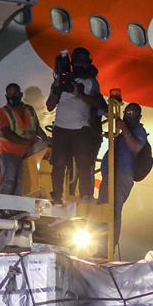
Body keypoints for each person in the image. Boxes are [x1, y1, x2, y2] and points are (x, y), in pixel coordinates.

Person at [45, 47, 106, 205]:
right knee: (58, 164)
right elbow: (49, 106)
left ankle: (86, 196)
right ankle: (57, 196)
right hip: (61, 129)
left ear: (87, 63)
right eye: (77, 61)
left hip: (81, 129)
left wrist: (78, 93)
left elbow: (98, 103)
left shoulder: (91, 82)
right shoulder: (61, 80)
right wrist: (58, 89)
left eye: (82, 62)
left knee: (84, 165)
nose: (79, 65)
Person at [99, 101, 147, 250]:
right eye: (127, 112)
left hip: (121, 175)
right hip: (111, 174)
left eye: (133, 113)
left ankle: (107, 246)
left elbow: (136, 147)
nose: (129, 115)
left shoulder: (138, 131)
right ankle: (101, 244)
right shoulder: (122, 134)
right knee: (103, 208)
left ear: (139, 116)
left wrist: (124, 129)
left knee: (112, 210)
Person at [0, 83, 47, 195]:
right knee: (8, 182)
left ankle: (15, 210)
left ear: (20, 94)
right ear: (6, 96)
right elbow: (7, 133)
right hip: (9, 153)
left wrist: (45, 140)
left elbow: (36, 127)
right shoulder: (2, 112)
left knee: (21, 185)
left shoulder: (29, 109)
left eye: (15, 94)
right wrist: (26, 142)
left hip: (27, 155)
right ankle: (2, 209)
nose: (12, 97)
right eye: (10, 94)